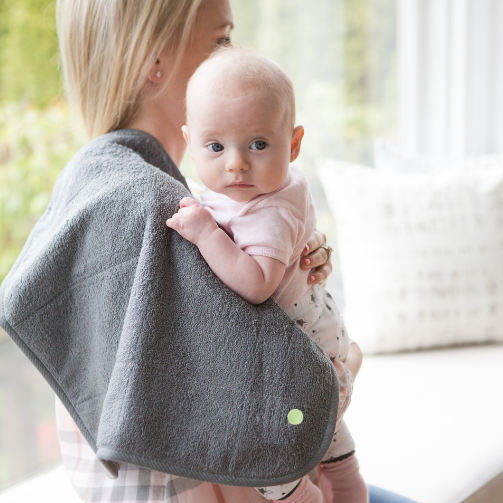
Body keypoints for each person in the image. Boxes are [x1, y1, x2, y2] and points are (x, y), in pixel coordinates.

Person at [53, 0, 418, 501]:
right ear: (154, 58)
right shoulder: (152, 205)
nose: (234, 59)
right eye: (221, 40)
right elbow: (231, 411)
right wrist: (343, 369)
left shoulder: (175, 185)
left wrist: (296, 250)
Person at [166, 46, 367, 503]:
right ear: (190, 140)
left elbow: (256, 285)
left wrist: (203, 234)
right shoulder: (261, 185)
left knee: (274, 460)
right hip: (313, 334)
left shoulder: (272, 207)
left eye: (258, 144)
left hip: (303, 356)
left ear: (293, 144)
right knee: (335, 450)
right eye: (215, 147)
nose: (236, 163)